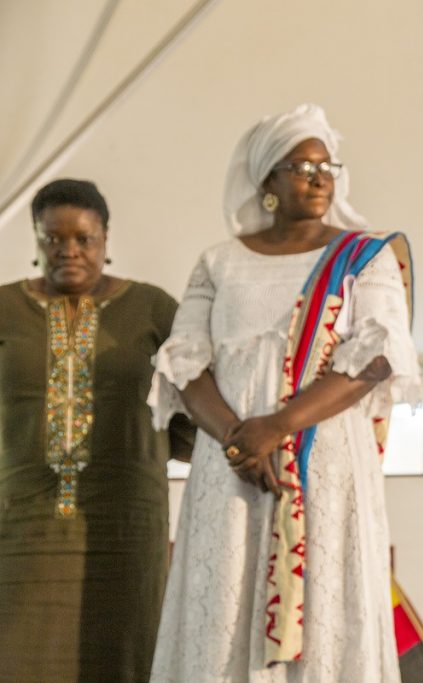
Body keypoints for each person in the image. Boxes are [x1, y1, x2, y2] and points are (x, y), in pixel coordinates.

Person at [148, 104, 420, 682]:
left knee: (327, 604)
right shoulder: (218, 263)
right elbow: (186, 361)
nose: (320, 177)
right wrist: (237, 437)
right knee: (223, 600)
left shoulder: (363, 259)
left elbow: (374, 359)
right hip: (232, 467)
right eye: (300, 166)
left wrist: (278, 426)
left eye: (327, 165)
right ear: (267, 179)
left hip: (323, 463)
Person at [0, 178, 194, 681]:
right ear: (36, 240)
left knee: (126, 657)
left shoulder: (154, 310)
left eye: (83, 238)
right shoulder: (4, 309)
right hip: (22, 527)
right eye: (53, 238)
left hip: (128, 527)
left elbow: (195, 404)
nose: (69, 251)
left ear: (105, 239)